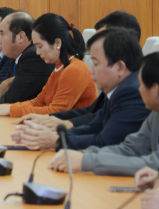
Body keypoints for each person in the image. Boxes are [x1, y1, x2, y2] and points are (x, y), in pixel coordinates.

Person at [49, 51, 159, 176]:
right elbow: (131, 148)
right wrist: (81, 155)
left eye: (141, 84)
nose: (138, 90)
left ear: (156, 90)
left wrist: (88, 162)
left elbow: (158, 165)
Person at [11, 28, 149, 150]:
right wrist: (55, 135)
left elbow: (105, 141)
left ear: (120, 67)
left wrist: (55, 140)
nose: (91, 71)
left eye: (96, 64)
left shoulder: (132, 92)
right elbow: (95, 126)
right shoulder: (119, 88)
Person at [0, 14, 96, 117]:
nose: (37, 52)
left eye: (40, 46)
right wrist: (5, 107)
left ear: (57, 43)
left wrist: (10, 109)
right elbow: (38, 102)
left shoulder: (75, 69)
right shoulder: (59, 68)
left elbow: (56, 111)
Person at [0, 12, 55, 104]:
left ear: (20, 37)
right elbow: (3, 88)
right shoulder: (16, 56)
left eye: (2, 34)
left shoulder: (33, 57)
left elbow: (11, 99)